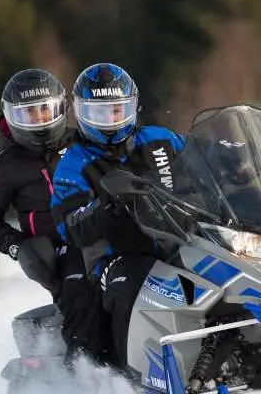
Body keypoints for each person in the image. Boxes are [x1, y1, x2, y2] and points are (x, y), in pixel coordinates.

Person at [50, 63, 185, 368]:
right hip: (118, 256)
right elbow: (70, 224)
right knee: (134, 288)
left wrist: (242, 164)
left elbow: (205, 158)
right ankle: (133, 375)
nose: (109, 121)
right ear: (81, 114)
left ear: (132, 108)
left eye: (116, 111)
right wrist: (107, 205)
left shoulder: (160, 140)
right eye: (99, 113)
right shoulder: (74, 164)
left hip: (182, 241)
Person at [0, 68, 95, 362]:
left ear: (61, 109)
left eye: (44, 111)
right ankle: (85, 372)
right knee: (82, 291)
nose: (39, 121)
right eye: (28, 115)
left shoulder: (84, 143)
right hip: (59, 250)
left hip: (102, 231)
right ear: (11, 118)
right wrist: (20, 246)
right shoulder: (5, 166)